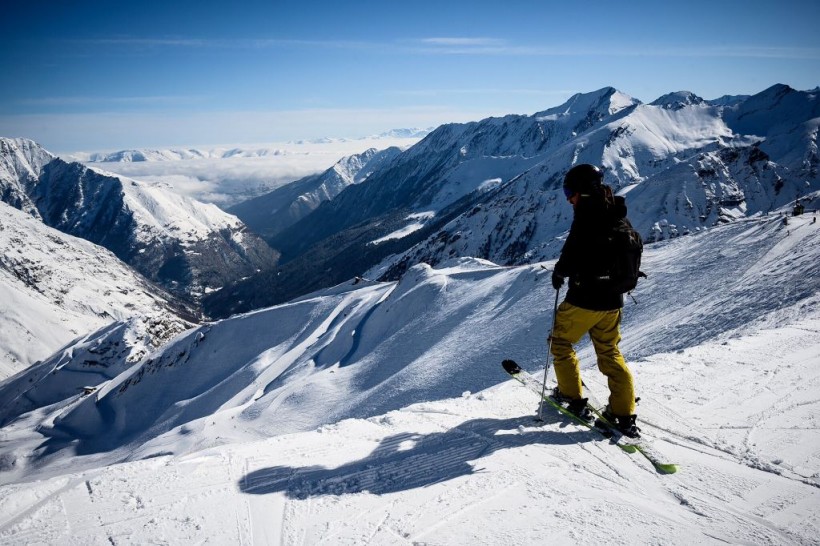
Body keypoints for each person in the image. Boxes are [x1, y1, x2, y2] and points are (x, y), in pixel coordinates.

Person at [549, 164, 640, 437]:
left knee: (561, 343)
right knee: (610, 352)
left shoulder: (586, 214)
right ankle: (623, 414)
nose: (568, 199)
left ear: (581, 189)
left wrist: (559, 272)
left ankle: (571, 397)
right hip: (613, 301)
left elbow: (572, 251)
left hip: (584, 299)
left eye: (569, 192)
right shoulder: (616, 211)